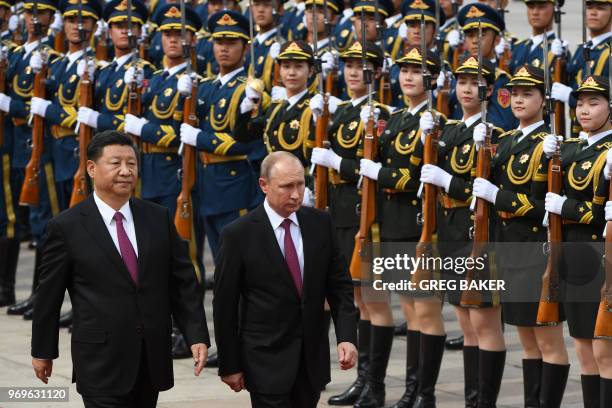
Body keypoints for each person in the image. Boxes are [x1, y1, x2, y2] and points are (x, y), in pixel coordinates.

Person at [31, 131, 210, 408]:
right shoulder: (66, 227)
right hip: (100, 360)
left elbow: (182, 282)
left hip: (150, 358)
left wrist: (196, 334)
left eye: (132, 163)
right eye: (115, 163)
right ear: (91, 168)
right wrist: (43, 351)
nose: (126, 171)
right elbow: (48, 296)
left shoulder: (157, 217)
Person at [213, 151, 358, 408]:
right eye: (286, 186)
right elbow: (224, 305)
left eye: (300, 184)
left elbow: (339, 286)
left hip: (311, 362)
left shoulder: (320, 223)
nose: (295, 194)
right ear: (264, 185)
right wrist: (230, 364)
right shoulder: (238, 234)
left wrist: (346, 336)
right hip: (265, 362)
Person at [472, 64, 570, 407]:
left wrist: (495, 195)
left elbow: (541, 207)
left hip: (536, 252)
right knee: (527, 340)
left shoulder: (551, 144)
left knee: (549, 341)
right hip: (511, 250)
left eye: (528, 94)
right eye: (514, 94)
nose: (519, 100)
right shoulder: (508, 139)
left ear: (544, 100)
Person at [420, 55, 506, 407]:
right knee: (466, 323)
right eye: (462, 82)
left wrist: (448, 182)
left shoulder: (493, 134)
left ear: (487, 89)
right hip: (452, 233)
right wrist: (425, 135)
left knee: (486, 324)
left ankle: (485, 402)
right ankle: (473, 400)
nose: (467, 89)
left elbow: (486, 191)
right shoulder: (451, 129)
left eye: (475, 83)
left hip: (478, 235)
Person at [544, 75, 612, 408]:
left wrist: (565, 206)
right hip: (571, 256)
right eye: (581, 103)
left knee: (605, 352)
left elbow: (602, 216)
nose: (584, 110)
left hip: (599, 256)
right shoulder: (571, 148)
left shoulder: (609, 152)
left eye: (594, 102)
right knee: (584, 350)